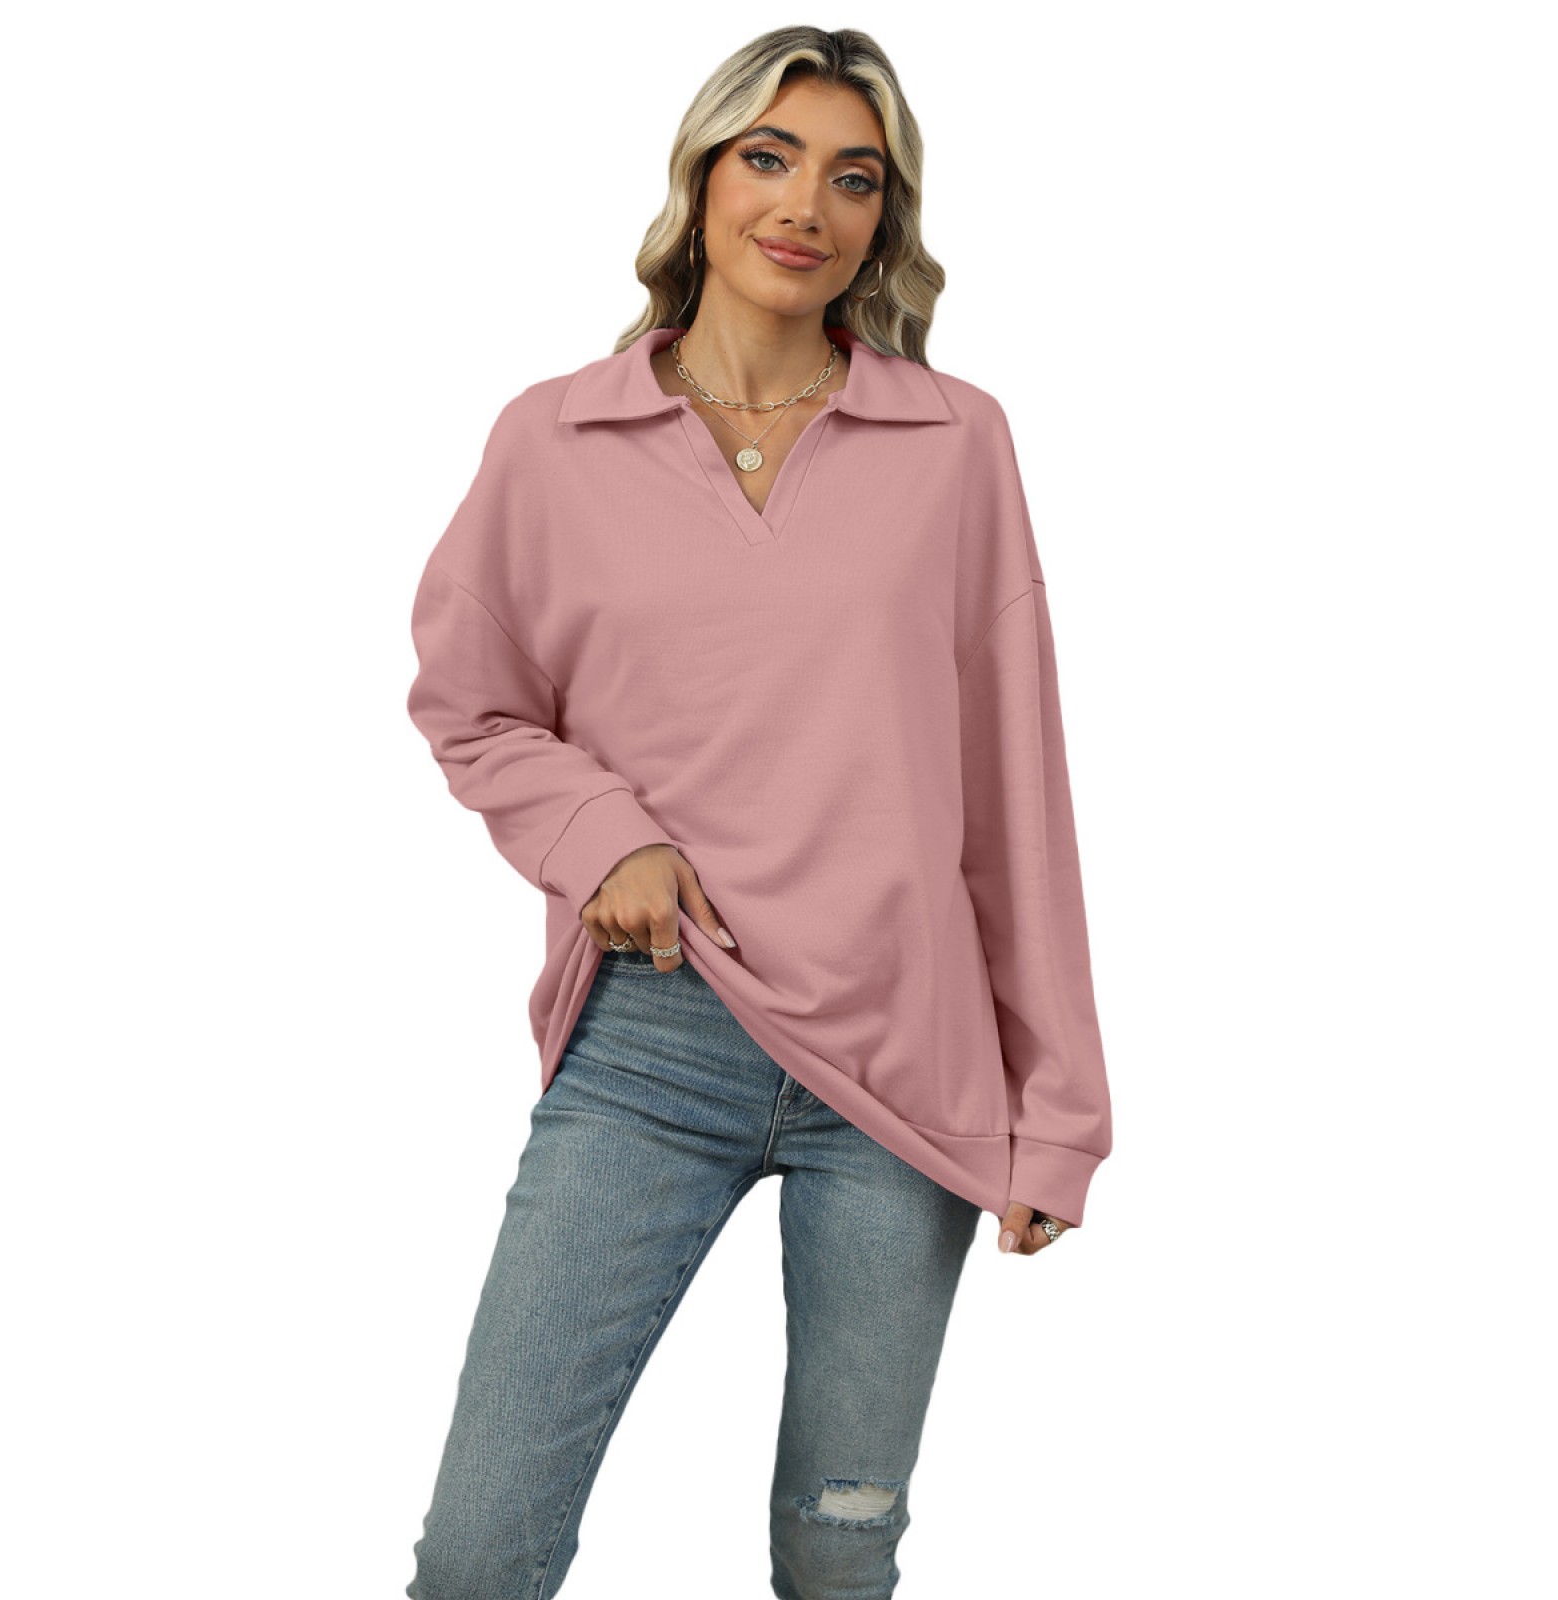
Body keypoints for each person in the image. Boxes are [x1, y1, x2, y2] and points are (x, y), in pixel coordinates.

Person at [401, 25, 1114, 1600]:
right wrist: (601, 833)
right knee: (481, 1552)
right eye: (770, 158)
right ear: (703, 177)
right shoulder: (555, 437)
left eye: (855, 178)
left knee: (837, 1553)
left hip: (908, 1064)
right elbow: (470, 697)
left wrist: (1058, 1107)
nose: (806, 205)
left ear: (885, 219)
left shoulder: (955, 443)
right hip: (651, 1044)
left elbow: (1017, 789)